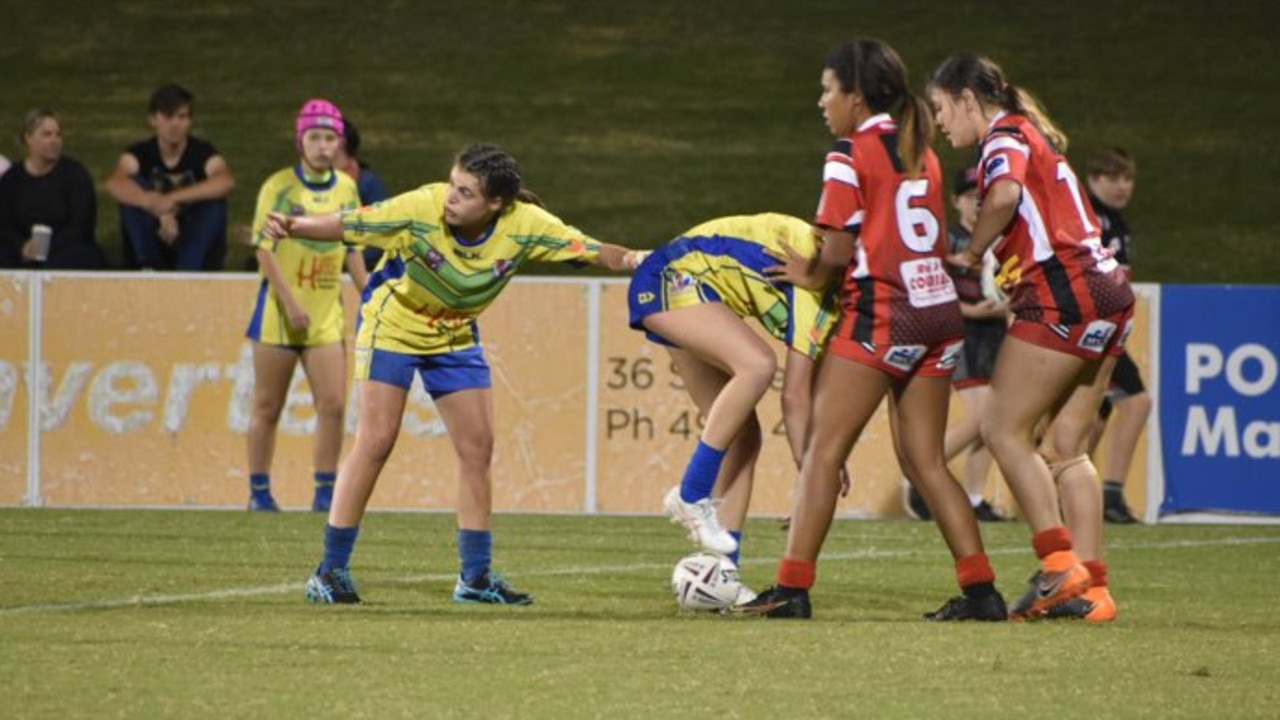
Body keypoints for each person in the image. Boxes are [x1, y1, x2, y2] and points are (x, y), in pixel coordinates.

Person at [263, 142, 648, 605]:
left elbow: (590, 249)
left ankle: (475, 578)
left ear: (496, 204)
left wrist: (631, 260)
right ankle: (329, 571)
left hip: (455, 336)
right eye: (452, 184)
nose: (451, 197)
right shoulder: (422, 206)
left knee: (477, 448)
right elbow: (351, 224)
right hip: (394, 326)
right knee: (376, 441)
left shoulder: (525, 226)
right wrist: (293, 225)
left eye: (465, 192)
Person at [741, 38, 1006, 621]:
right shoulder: (921, 147)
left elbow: (837, 250)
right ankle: (981, 591)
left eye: (828, 89)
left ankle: (792, 588)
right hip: (938, 314)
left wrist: (807, 276)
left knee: (822, 453)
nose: (821, 101)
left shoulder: (848, 152)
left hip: (883, 313)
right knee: (926, 462)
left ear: (856, 97)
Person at [927, 52, 1136, 621]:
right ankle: (1092, 589)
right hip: (1109, 292)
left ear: (969, 99)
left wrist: (970, 255)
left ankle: (1057, 564)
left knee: (1001, 427)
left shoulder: (1004, 135)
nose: (940, 124)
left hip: (1063, 292)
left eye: (942, 109)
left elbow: (1004, 195)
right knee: (1068, 446)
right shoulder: (1029, 131)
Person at [629, 213, 841, 591]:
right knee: (758, 364)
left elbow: (806, 392)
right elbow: (793, 397)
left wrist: (818, 465)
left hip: (695, 289)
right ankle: (692, 493)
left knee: (743, 438)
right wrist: (814, 477)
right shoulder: (813, 271)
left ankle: (720, 577)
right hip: (671, 277)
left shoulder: (830, 290)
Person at [244, 99, 367, 513]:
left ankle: (325, 491)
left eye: (330, 138)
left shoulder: (347, 188)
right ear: (300, 141)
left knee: (332, 405)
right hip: (279, 315)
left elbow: (351, 246)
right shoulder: (278, 187)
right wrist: (291, 302)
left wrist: (368, 291)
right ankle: (259, 492)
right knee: (267, 405)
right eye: (314, 137)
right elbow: (264, 250)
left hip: (325, 316)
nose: (322, 146)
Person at [903, 166, 1008, 523]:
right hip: (960, 332)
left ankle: (975, 497)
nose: (979, 205)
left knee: (992, 420)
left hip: (994, 332)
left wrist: (1006, 305)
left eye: (985, 199)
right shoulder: (947, 241)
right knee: (980, 417)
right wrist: (972, 311)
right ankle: (919, 474)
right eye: (972, 198)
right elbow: (932, 289)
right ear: (956, 201)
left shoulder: (998, 239)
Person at [105, 84, 235, 271]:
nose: (175, 124)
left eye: (181, 117)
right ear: (153, 119)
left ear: (190, 121)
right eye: (168, 117)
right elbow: (115, 183)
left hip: (192, 240)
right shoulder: (139, 153)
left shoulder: (202, 152)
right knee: (133, 189)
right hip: (155, 237)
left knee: (214, 204)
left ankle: (187, 272)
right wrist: (154, 205)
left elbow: (225, 181)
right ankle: (148, 267)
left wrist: (171, 199)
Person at [1085, 147, 1148, 525]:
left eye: (1127, 178)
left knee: (1095, 415)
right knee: (1137, 402)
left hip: (1105, 328)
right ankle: (1109, 493)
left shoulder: (1114, 220)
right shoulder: (1094, 218)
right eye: (1113, 177)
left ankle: (1070, 492)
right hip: (1096, 327)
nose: (1122, 185)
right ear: (1094, 179)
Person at [0, 109, 108, 270]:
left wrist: (45, 248)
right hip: (22, 251)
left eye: (58, 135)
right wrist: (22, 247)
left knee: (78, 256)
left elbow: (81, 225)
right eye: (47, 135)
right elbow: (4, 224)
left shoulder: (75, 175)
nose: (54, 140)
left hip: (66, 250)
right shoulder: (12, 179)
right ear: (28, 138)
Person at [331, 118, 392, 270]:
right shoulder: (308, 185)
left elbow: (381, 236)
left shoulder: (369, 185)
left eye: (328, 138)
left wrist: (346, 259)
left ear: (341, 143)